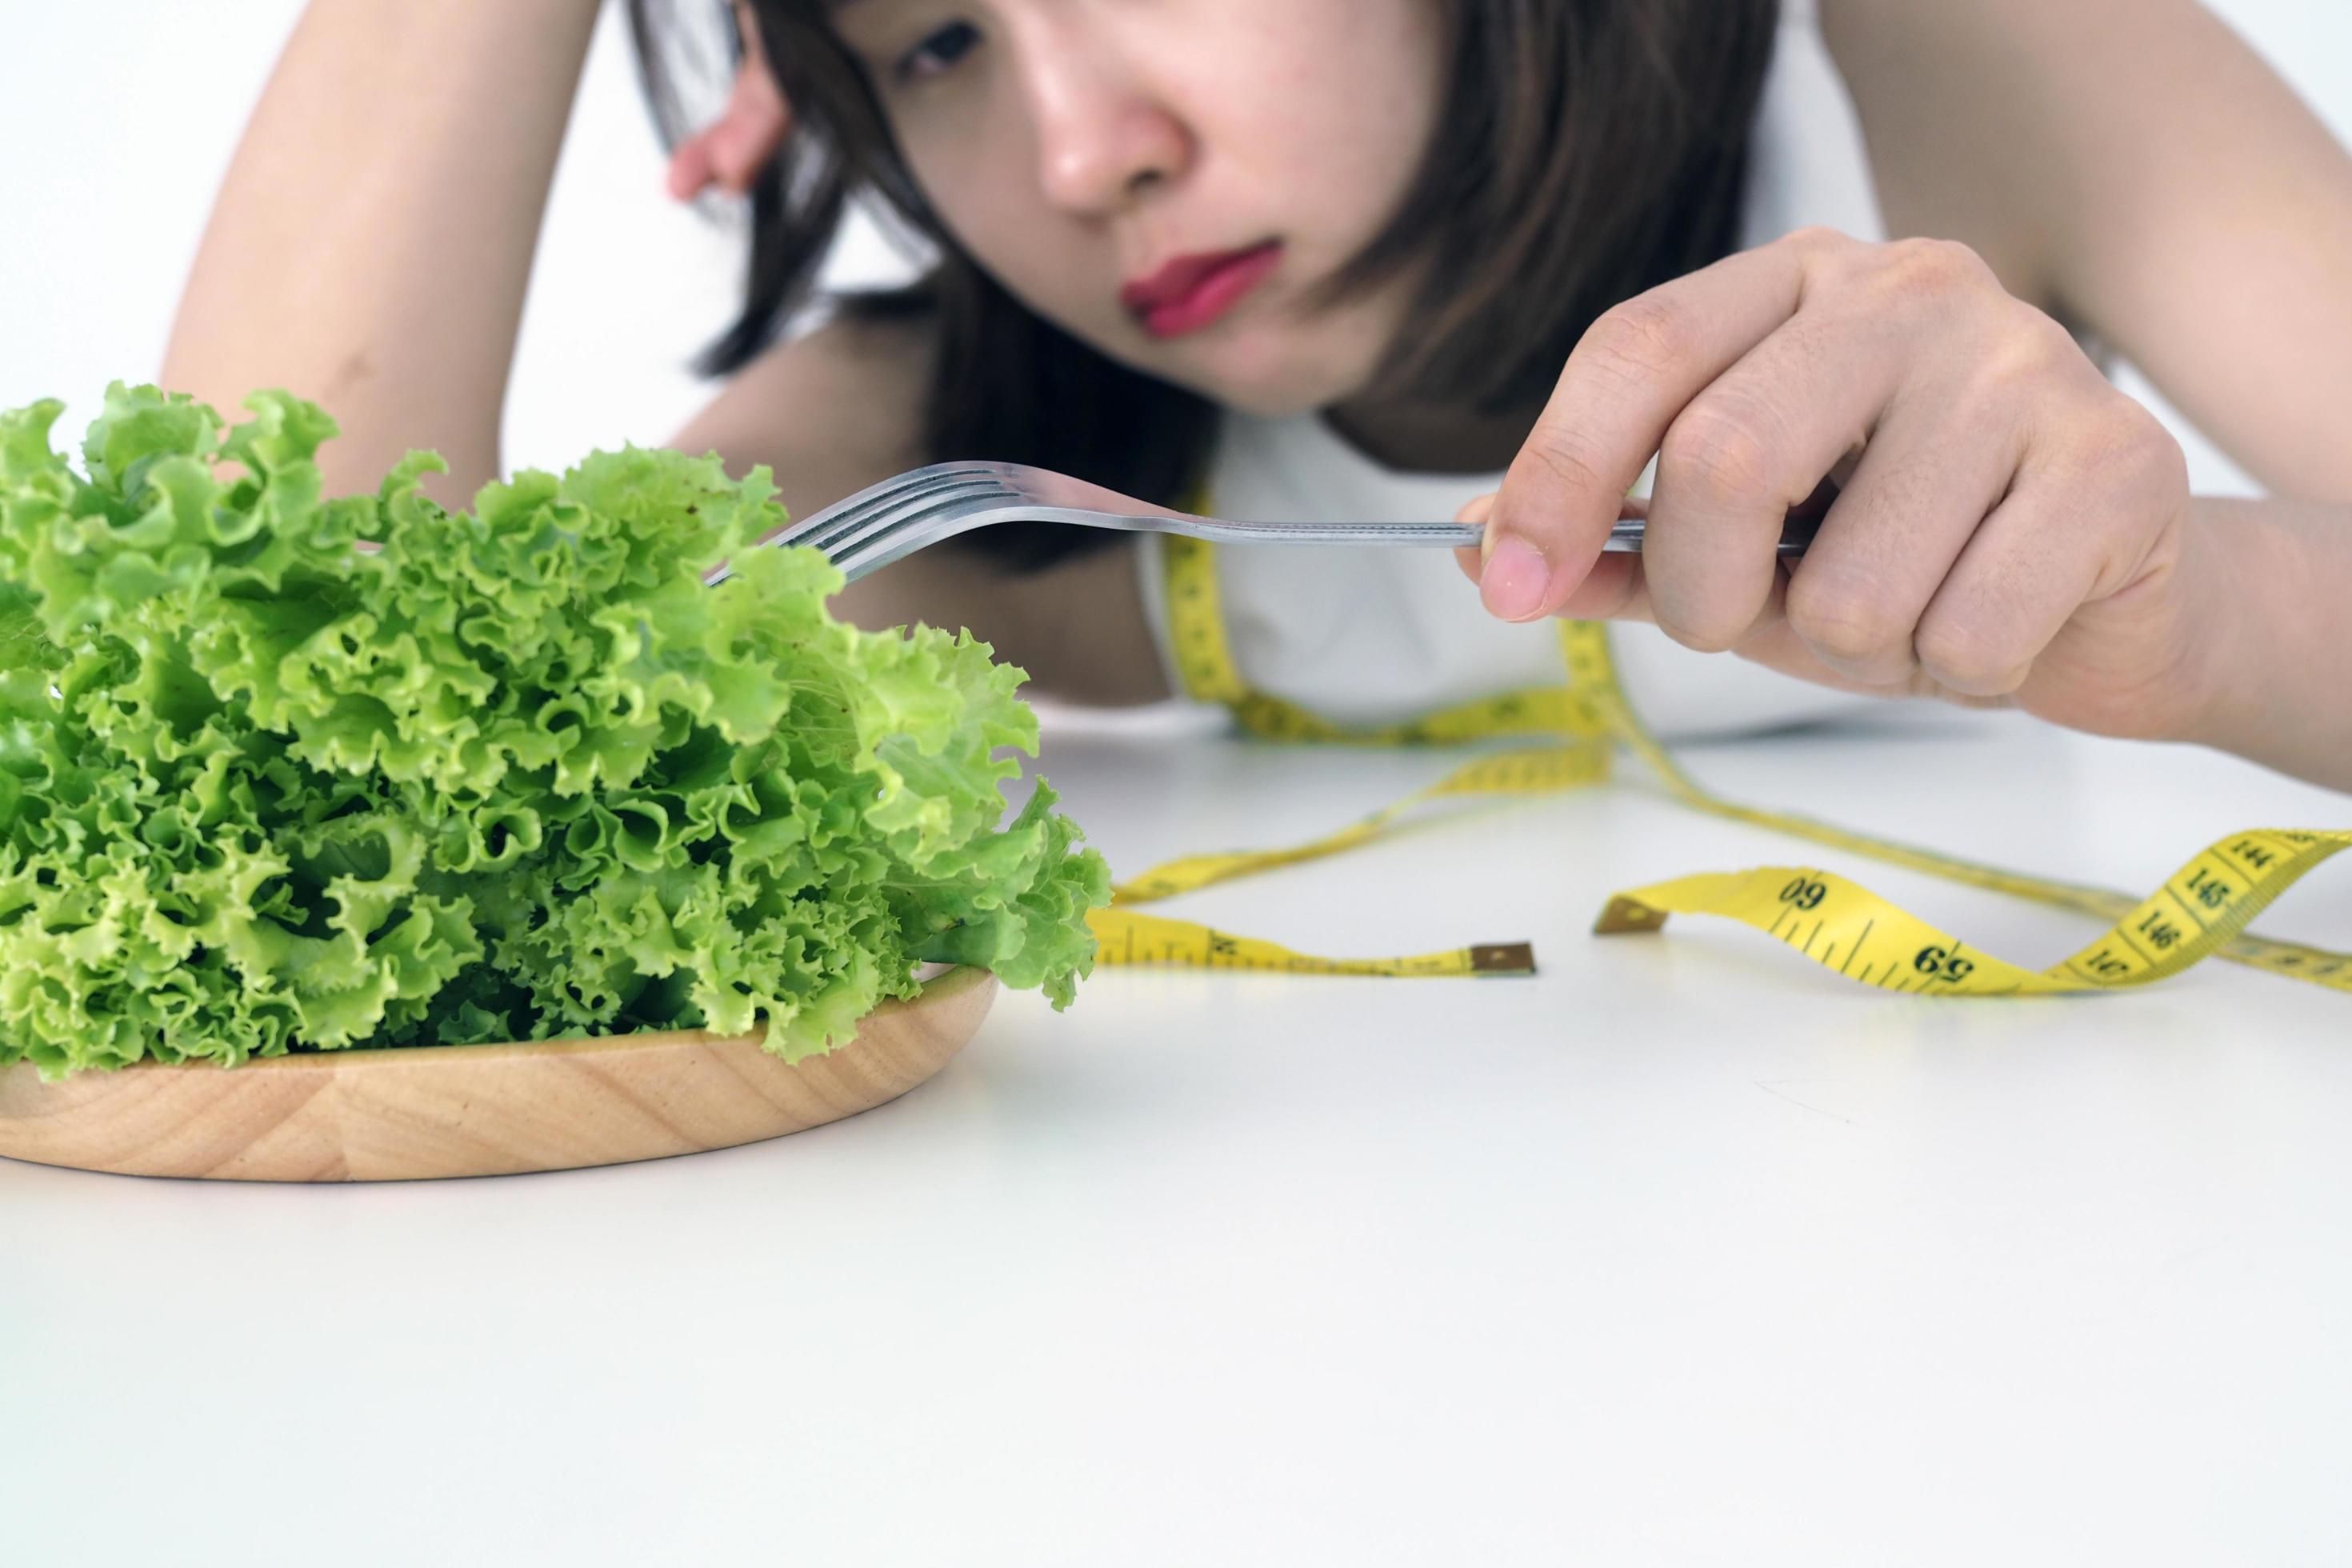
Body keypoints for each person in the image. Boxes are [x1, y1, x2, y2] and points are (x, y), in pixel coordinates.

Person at [163, 0, 2352, 790]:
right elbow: (262, 720)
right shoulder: (941, 485)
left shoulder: (1975, 71)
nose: (1074, 145)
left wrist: (2211, 627)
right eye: (929, 43)